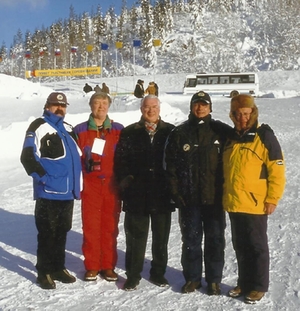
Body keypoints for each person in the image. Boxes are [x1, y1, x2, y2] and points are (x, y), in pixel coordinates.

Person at [164, 91, 231, 295]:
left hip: (214, 199)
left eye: (204, 105)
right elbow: (170, 166)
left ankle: (213, 280)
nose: (200, 108)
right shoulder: (180, 133)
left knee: (215, 239)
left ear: (210, 107)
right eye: (196, 104)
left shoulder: (220, 131)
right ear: (191, 107)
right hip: (189, 198)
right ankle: (192, 278)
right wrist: (175, 192)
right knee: (191, 240)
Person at [223, 94, 286, 304]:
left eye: (246, 113)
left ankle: (258, 286)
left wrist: (272, 198)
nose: (243, 118)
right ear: (233, 115)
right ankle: (244, 282)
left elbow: (277, 169)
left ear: (253, 113)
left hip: (255, 203)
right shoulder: (231, 138)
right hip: (234, 202)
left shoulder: (264, 136)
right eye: (238, 114)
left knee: (256, 246)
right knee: (240, 246)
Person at [20, 92, 82, 290]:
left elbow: (76, 156)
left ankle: (58, 267)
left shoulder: (68, 128)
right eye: (55, 105)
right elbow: (27, 157)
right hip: (49, 193)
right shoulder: (38, 126)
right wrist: (44, 180)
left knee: (62, 232)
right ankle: (43, 271)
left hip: (67, 193)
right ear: (47, 106)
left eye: (63, 106)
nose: (59, 109)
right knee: (47, 234)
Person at [114, 95, 175, 291]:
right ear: (141, 109)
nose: (151, 110)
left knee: (161, 238)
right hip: (137, 194)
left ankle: (158, 273)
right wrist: (127, 183)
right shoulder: (131, 131)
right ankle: (132, 275)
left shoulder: (170, 132)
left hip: (162, 193)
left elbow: (177, 162)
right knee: (135, 238)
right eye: (147, 107)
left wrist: (173, 186)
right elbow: (120, 161)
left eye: (154, 106)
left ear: (159, 108)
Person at [74, 92, 123, 282]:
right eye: (97, 103)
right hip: (90, 186)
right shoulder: (80, 130)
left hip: (112, 185)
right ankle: (93, 265)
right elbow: (75, 160)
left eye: (104, 103)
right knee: (91, 226)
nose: (101, 107)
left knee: (110, 226)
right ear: (90, 105)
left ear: (109, 106)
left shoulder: (118, 130)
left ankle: (108, 266)